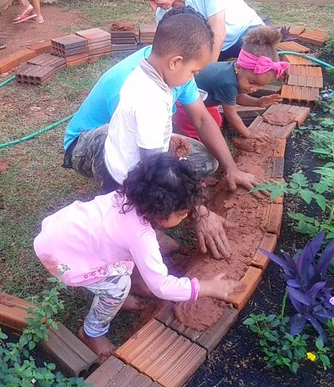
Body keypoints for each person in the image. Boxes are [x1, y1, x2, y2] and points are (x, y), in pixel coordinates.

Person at [63, 7, 263, 260]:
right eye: (193, 72)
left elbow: (199, 118)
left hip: (132, 148)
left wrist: (230, 167)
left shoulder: (155, 71)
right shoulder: (146, 96)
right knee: (146, 189)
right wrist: (197, 211)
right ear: (176, 61)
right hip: (96, 148)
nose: (193, 78)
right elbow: (152, 169)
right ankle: (129, 221)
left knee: (200, 161)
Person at [34, 153, 244, 360]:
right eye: (182, 214)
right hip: (63, 258)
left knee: (123, 264)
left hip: (61, 232)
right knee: (118, 285)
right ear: (162, 215)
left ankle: (112, 300)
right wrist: (207, 287)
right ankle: (92, 332)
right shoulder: (140, 237)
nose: (187, 216)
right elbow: (162, 286)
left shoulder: (127, 196)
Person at [173, 26, 289, 141]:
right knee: (199, 130)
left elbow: (236, 97)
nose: (254, 89)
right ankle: (195, 144)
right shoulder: (227, 83)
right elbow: (232, 116)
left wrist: (258, 102)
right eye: (251, 82)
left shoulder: (237, 73)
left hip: (203, 100)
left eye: (260, 86)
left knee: (215, 121)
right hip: (184, 103)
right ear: (239, 67)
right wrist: (248, 133)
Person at [134, 0, 263, 61]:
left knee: (253, 67)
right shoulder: (162, 13)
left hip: (243, 33)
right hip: (209, 48)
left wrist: (208, 72)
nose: (152, 6)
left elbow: (218, 33)